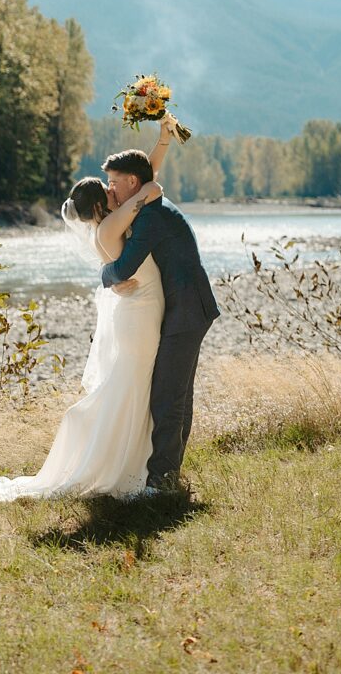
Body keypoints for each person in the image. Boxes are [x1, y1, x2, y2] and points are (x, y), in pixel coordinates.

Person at [0, 116, 177, 514]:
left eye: (114, 184)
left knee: (132, 387)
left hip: (139, 312)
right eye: (109, 188)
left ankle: (132, 464)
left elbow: (140, 181)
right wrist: (148, 185)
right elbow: (145, 188)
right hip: (139, 317)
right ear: (103, 205)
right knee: (132, 387)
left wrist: (162, 142)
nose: (116, 190)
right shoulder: (110, 228)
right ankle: (122, 468)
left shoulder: (113, 222)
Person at [100, 148, 220, 491]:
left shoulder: (150, 216)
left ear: (133, 182)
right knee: (177, 392)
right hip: (187, 306)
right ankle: (170, 474)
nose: (111, 190)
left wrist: (103, 276)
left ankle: (162, 481)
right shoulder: (149, 207)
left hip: (186, 309)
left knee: (168, 394)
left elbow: (123, 268)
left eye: (114, 182)